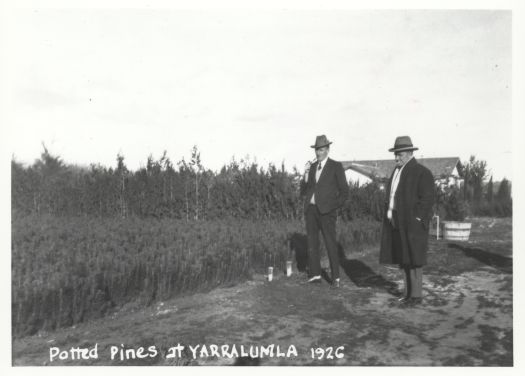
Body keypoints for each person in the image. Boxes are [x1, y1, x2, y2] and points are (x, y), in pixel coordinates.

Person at [379, 136, 435, 306]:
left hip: (413, 224)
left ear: (410, 153)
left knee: (415, 258)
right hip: (397, 222)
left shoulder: (421, 172)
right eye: (396, 154)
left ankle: (416, 296)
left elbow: (427, 199)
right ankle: (407, 293)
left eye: (400, 154)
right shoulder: (397, 171)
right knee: (404, 258)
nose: (397, 158)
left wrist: (417, 218)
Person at [301, 135, 349, 287]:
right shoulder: (312, 167)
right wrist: (306, 174)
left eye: (321, 150)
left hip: (327, 212)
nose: (318, 153)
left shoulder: (336, 166)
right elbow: (304, 190)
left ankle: (335, 277)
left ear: (327, 150)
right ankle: (315, 274)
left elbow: (344, 192)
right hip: (311, 210)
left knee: (330, 243)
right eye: (317, 150)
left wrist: (333, 206)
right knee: (312, 242)